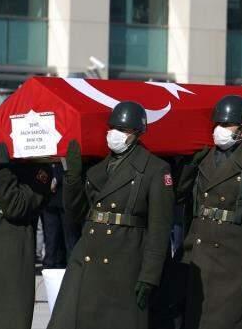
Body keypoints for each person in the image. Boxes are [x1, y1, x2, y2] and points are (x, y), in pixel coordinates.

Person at [48, 102, 175, 329]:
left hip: (125, 260)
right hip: (87, 256)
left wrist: (150, 275)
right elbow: (76, 213)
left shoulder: (155, 169)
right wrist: (72, 176)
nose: (114, 133)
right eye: (112, 127)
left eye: (122, 129)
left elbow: (160, 228)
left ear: (136, 133)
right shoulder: (97, 168)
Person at [176, 95, 242, 329]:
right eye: (216, 124)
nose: (218, 130)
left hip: (234, 258)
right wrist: (189, 166)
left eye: (225, 125)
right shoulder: (203, 161)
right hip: (200, 254)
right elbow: (180, 197)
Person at [0, 144, 52, 329]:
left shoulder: (39, 169)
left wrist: (4, 169)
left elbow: (16, 207)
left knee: (3, 318)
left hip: (5, 255)